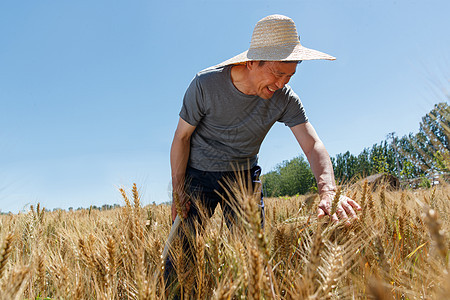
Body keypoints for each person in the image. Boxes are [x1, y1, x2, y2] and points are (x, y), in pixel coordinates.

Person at [165, 14, 361, 293]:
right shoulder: (205, 85)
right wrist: (178, 189)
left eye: (289, 75)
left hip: (244, 177)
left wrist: (328, 190)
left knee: (253, 259)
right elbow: (181, 137)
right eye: (277, 73)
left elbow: (312, 144)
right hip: (197, 175)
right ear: (251, 62)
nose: (282, 83)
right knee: (179, 259)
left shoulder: (286, 98)